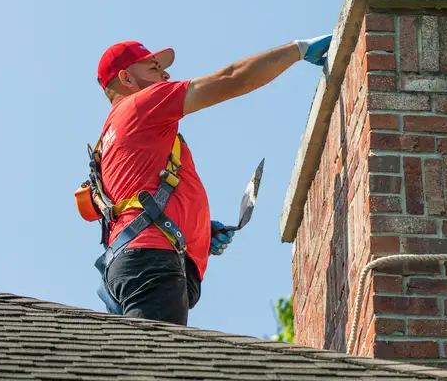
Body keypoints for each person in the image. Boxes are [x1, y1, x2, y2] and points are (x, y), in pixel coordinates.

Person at [86, 35, 332, 325]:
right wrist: (299, 49)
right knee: (158, 366)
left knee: (154, 361)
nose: (164, 75)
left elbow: (139, 196)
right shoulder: (141, 106)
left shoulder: (109, 136)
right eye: (153, 68)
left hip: (134, 261)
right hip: (151, 260)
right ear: (126, 78)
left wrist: (199, 232)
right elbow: (232, 79)